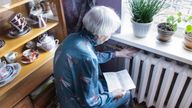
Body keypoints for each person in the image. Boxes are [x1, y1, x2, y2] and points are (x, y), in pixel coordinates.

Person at [54, 6, 137, 108]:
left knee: (103, 83)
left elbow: (91, 57)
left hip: (65, 97)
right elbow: (91, 103)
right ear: (102, 35)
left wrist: (117, 53)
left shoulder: (73, 38)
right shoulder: (88, 57)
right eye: (110, 33)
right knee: (126, 94)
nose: (109, 36)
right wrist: (113, 94)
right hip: (77, 104)